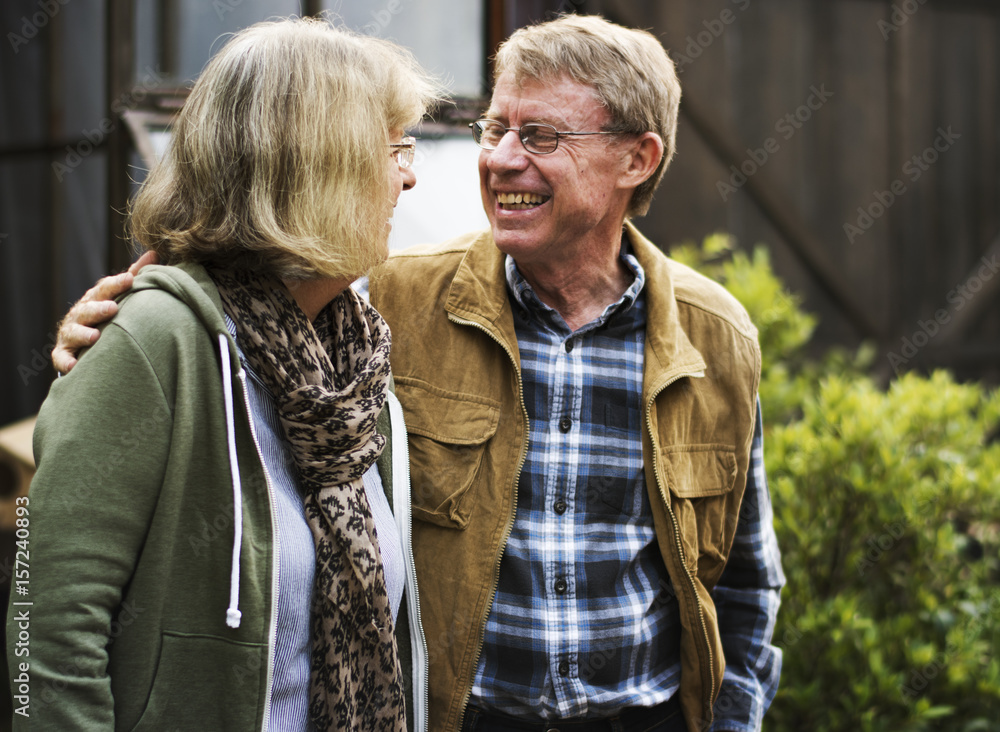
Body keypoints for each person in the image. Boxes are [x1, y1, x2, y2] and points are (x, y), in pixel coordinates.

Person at [51, 14, 785, 732]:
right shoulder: (387, 304)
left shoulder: (714, 337)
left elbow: (746, 585)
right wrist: (112, 331)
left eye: (540, 136)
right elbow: (50, 615)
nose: (497, 160)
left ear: (637, 158)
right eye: (495, 129)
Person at [12, 18, 441, 732]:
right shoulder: (154, 341)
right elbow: (45, 635)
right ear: (313, 165)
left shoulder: (354, 359)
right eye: (392, 147)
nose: (409, 173)